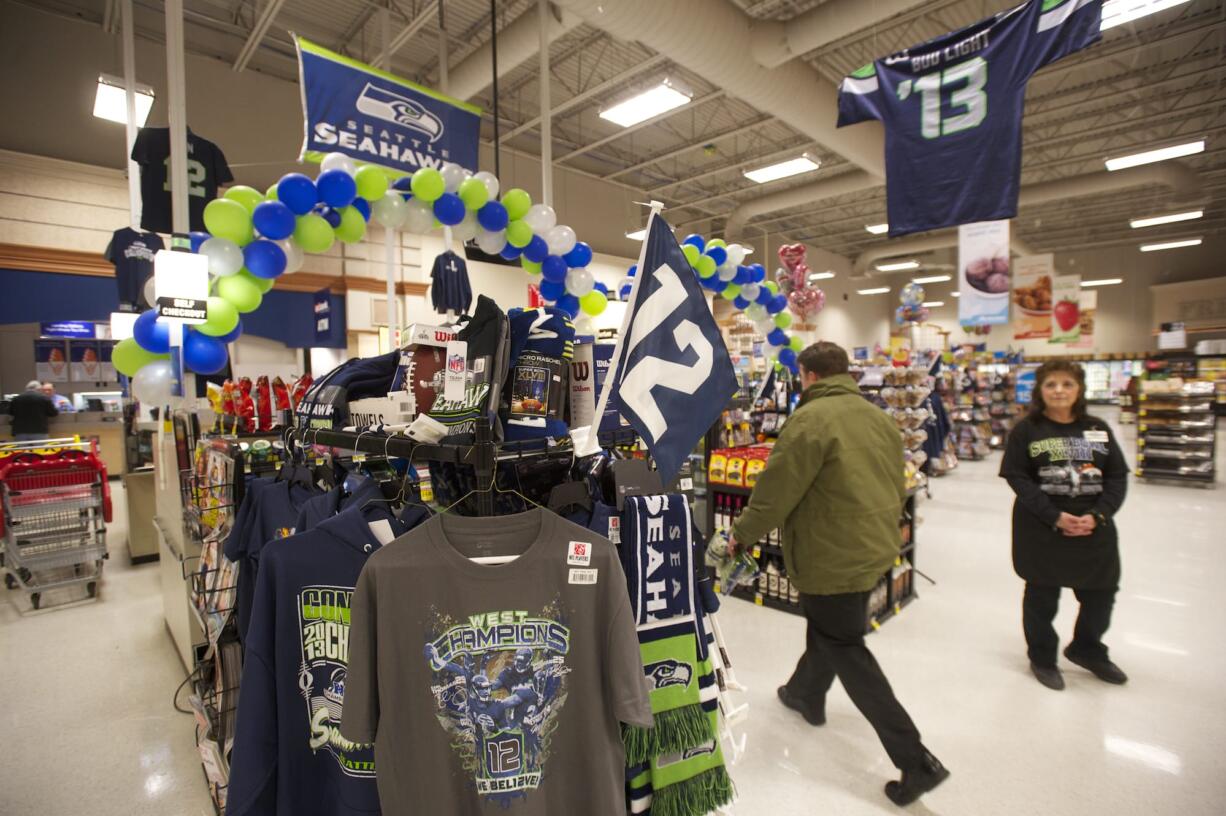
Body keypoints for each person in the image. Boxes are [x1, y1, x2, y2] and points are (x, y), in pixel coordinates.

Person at [728, 342, 948, 807]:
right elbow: (899, 482)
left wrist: (741, 534)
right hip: (874, 546)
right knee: (831, 627)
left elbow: (776, 492)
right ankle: (804, 693)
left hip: (832, 552)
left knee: (844, 643)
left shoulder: (809, 421)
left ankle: (915, 760)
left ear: (807, 375)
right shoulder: (879, 419)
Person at [999, 361, 1129, 691]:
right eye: (1051, 384)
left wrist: (1098, 515)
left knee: (1102, 593)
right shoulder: (1027, 430)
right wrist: (1053, 516)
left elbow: (1116, 476)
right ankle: (1042, 657)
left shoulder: (1098, 427)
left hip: (1094, 527)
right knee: (1042, 595)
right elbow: (1017, 476)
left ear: (1079, 389)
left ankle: (1087, 648)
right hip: (1041, 529)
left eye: (1067, 384)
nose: (1059, 390)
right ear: (1040, 391)